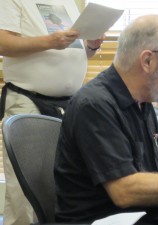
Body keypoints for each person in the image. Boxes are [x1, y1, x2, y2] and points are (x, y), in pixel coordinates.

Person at [54, 15, 158, 225]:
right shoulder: (95, 105)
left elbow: (147, 166)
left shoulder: (142, 101)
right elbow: (124, 190)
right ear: (148, 61)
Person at [0, 1, 104, 225]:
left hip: (69, 104)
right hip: (28, 100)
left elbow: (77, 52)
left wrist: (91, 47)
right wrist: (49, 42)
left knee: (64, 180)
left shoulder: (69, 3)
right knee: (24, 188)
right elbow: (3, 43)